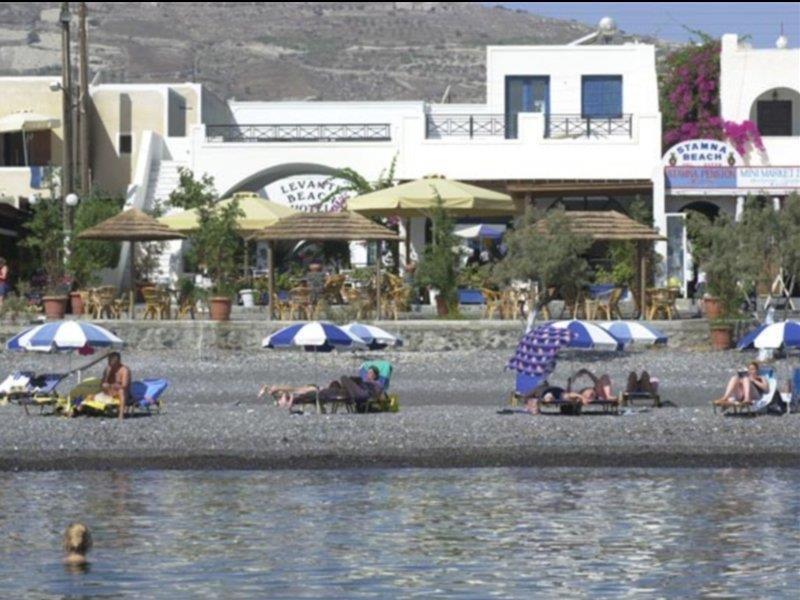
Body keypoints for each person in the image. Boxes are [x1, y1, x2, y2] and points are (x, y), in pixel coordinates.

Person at [101, 352, 132, 420]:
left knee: (122, 391)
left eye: (111, 362)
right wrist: (107, 375)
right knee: (104, 385)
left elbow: (125, 385)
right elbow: (103, 382)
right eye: (109, 361)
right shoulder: (108, 369)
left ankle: (121, 414)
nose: (109, 363)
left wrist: (114, 385)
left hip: (122, 391)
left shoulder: (124, 370)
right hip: (111, 389)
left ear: (117, 361)